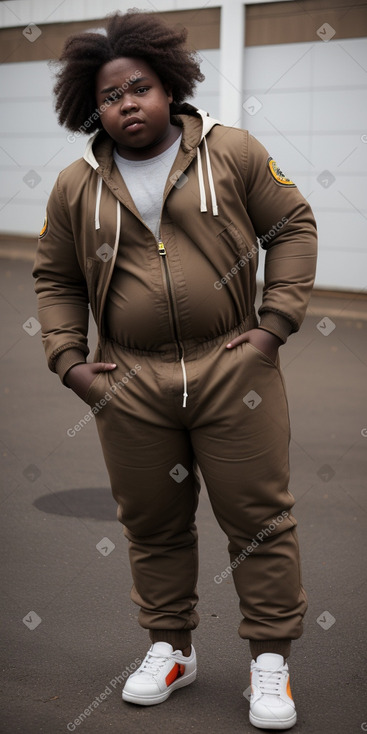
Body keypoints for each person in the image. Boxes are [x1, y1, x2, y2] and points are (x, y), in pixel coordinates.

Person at [32, 9, 317, 730]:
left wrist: (271, 326)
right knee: (152, 526)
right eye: (109, 95)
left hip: (234, 372)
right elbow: (55, 277)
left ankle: (268, 661)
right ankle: (170, 647)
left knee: (258, 520)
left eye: (140, 88)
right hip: (127, 383)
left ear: (171, 90)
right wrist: (69, 360)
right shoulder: (76, 185)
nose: (126, 103)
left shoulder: (232, 152)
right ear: (88, 107)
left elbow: (292, 225)